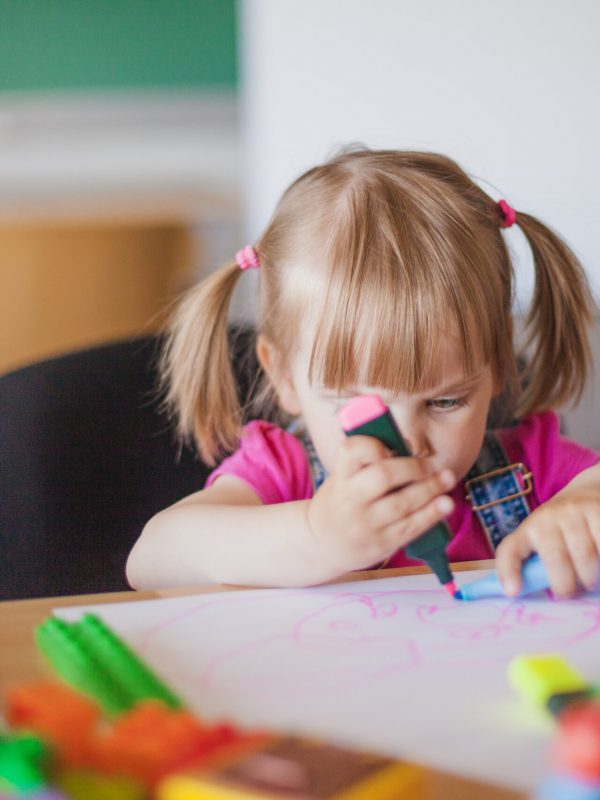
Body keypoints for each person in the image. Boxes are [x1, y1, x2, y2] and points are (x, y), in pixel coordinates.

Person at [126, 148, 600, 598]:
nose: (410, 442)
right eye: (365, 408)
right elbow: (151, 561)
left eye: (445, 401)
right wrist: (319, 537)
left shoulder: (529, 466)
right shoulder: (283, 473)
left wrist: (583, 511)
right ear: (286, 378)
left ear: (496, 369)